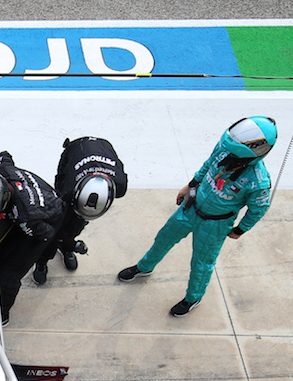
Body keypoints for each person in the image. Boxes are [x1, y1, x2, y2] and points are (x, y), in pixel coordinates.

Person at [118, 116, 276, 317]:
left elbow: (258, 209)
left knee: (201, 264)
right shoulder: (225, 149)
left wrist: (240, 229)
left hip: (215, 225)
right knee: (163, 238)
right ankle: (144, 267)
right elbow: (208, 164)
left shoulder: (258, 181)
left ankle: (193, 298)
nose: (229, 152)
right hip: (192, 207)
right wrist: (191, 185)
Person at [0, 152, 65, 325]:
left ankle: (3, 313)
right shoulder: (1, 169)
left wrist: (18, 229)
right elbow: (4, 155)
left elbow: (46, 234)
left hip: (43, 225)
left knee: (8, 274)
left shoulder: (27, 217)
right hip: (27, 204)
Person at [33, 136, 129, 285]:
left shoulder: (120, 185)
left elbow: (119, 165)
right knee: (56, 226)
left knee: (75, 225)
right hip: (76, 151)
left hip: (103, 148)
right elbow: (61, 181)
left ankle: (66, 248)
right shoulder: (68, 190)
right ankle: (42, 261)